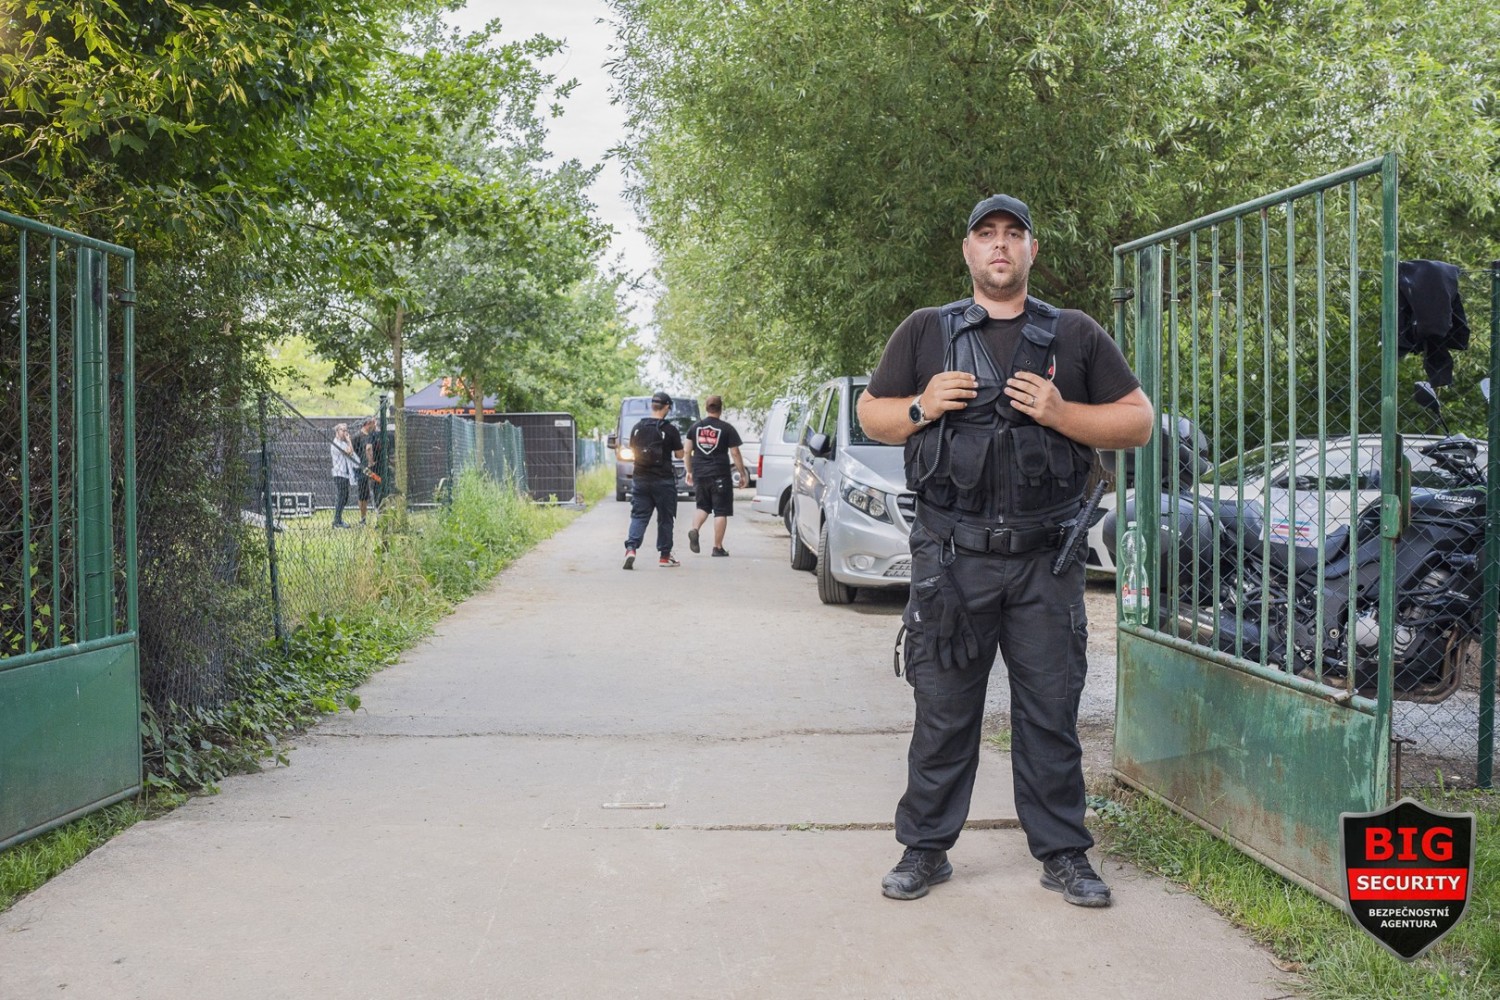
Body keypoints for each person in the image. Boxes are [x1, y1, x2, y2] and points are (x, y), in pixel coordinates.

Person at [857, 194, 1154, 907]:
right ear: (968, 251)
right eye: (986, 234)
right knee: (943, 711)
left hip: (1045, 563)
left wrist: (1062, 412)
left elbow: (1138, 422)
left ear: (1031, 250)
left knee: (1050, 714)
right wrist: (922, 406)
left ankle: (1064, 854)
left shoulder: (1074, 335)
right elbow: (872, 415)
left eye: (1013, 234)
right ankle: (925, 849)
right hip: (951, 563)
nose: (1000, 245)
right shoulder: (925, 332)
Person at [623, 391, 686, 569]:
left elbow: (633, 450)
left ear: (652, 406)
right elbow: (679, 454)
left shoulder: (637, 427)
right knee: (665, 518)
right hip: (663, 481)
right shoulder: (670, 429)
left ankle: (631, 549)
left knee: (639, 516)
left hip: (640, 479)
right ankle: (665, 556)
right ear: (667, 407)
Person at [683, 395, 749, 557]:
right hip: (720, 474)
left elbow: (686, 451)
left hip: (700, 473)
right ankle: (717, 547)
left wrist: (689, 471)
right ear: (721, 408)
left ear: (706, 408)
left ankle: (694, 529)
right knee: (720, 511)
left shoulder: (695, 427)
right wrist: (742, 473)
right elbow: (735, 452)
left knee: (702, 507)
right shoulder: (727, 428)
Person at [329, 423, 360, 527]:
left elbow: (351, 452)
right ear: (337, 431)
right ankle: (337, 521)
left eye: (346, 430)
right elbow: (349, 452)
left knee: (345, 497)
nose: (345, 432)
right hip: (339, 473)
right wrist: (349, 440)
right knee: (342, 496)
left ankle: (338, 519)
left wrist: (347, 441)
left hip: (345, 474)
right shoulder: (336, 443)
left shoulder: (343, 443)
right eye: (343, 430)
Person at [350, 416, 379, 525]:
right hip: (363, 468)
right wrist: (368, 463)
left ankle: (367, 517)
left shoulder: (370, 435)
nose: (375, 426)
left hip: (368, 469)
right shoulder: (358, 436)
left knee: (371, 491)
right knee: (363, 493)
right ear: (368, 424)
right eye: (374, 424)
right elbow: (364, 449)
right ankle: (363, 518)